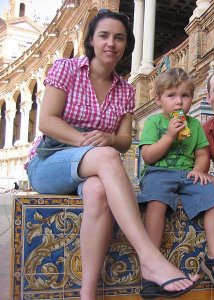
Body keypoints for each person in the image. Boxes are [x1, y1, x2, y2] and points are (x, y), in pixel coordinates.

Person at [26, 9, 198, 300]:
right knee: (106, 156)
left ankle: (88, 295)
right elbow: (47, 122)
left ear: (125, 45)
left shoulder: (125, 91)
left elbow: (122, 141)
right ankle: (149, 257)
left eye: (119, 38)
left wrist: (107, 138)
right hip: (50, 160)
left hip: (90, 171)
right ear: (91, 39)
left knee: (98, 191)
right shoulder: (66, 69)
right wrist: (87, 142)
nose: (111, 43)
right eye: (104, 35)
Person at [137, 68, 214, 291]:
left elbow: (202, 154)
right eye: (171, 96)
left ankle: (213, 259)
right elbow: (148, 157)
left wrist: (200, 169)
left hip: (187, 175)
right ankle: (152, 263)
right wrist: (169, 135)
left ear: (192, 98)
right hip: (158, 173)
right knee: (156, 200)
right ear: (158, 99)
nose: (178, 102)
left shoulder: (195, 125)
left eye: (185, 96)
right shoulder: (154, 122)